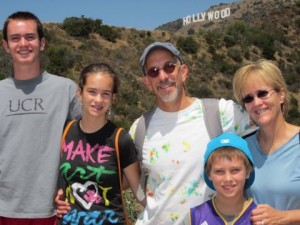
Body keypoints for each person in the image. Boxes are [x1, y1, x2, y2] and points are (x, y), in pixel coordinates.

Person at [128, 41, 252, 225]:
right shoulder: (139, 128)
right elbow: (128, 179)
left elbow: (269, 130)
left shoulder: (220, 113)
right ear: (147, 82)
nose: (163, 76)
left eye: (169, 67)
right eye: (154, 71)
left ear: (183, 71)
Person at [0, 11, 81, 225]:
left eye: (30, 37)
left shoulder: (67, 90)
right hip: (4, 210)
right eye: (15, 38)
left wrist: (72, 188)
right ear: (6, 46)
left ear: (42, 43)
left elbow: (89, 145)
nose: (23, 43)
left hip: (54, 211)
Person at [56, 62, 145, 225]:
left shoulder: (120, 139)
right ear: (80, 93)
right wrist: (55, 197)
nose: (98, 99)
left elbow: (139, 192)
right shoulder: (65, 131)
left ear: (113, 98)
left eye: (105, 94)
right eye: (92, 92)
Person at [232, 59, 300, 225]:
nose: (256, 102)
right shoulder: (243, 147)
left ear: (281, 95)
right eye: (248, 98)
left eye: (262, 93)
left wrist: (283, 217)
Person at [186, 133, 256, 225]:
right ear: (209, 174)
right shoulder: (194, 217)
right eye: (219, 171)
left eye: (235, 170)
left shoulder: (261, 217)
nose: (228, 178)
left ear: (247, 172)